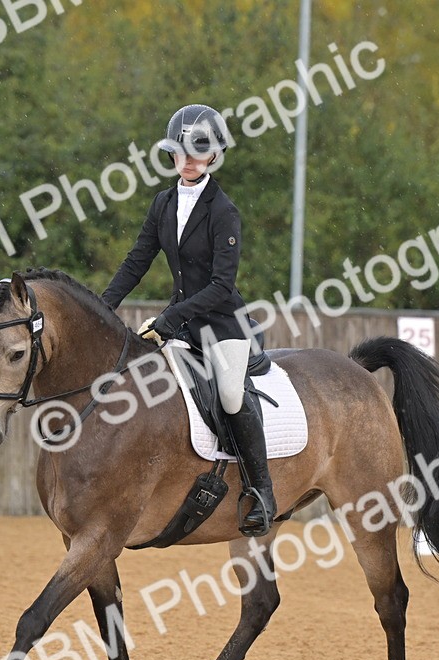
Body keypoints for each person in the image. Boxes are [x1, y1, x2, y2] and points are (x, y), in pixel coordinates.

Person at [100, 103, 276, 535]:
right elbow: (137, 261)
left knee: (230, 395)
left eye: (198, 152)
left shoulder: (223, 211)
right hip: (182, 326)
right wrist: (102, 307)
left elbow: (221, 285)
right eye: (180, 152)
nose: (189, 160)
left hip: (223, 325)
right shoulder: (163, 203)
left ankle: (261, 491)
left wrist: (168, 317)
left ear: (215, 154)